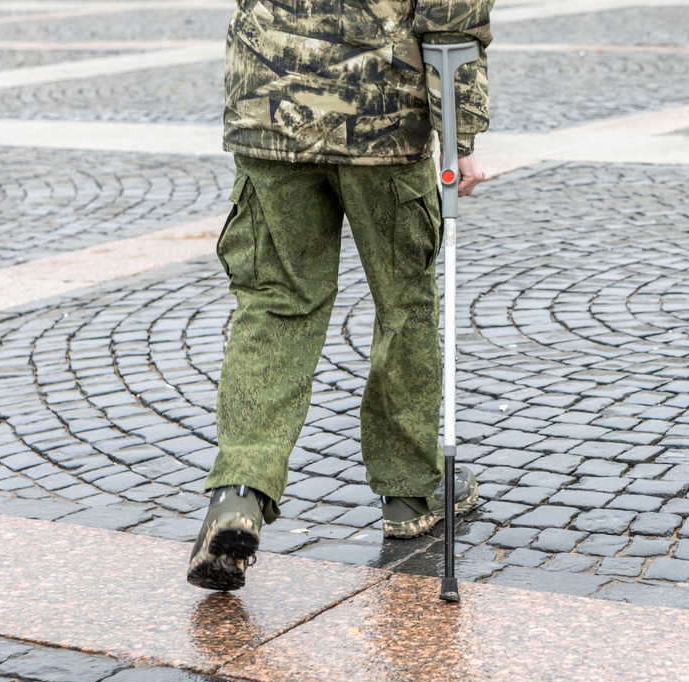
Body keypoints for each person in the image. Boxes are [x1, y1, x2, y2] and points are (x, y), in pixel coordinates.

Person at [187, 0, 494, 591]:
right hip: (380, 116)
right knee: (404, 304)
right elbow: (451, 19)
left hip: (270, 102)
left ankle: (238, 493)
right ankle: (410, 495)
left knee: (274, 302)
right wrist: (461, 134)